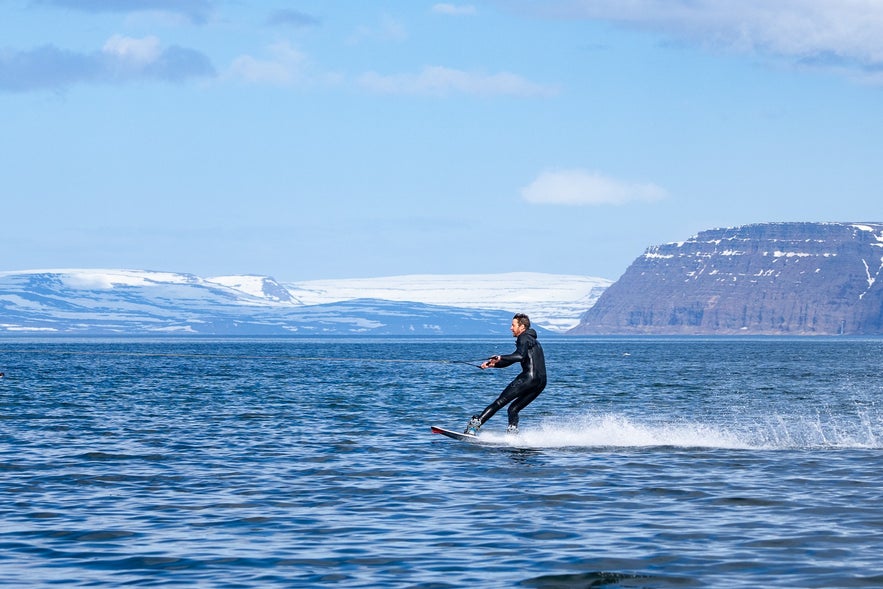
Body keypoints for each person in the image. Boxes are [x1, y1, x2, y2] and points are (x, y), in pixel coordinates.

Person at [465, 313, 546, 435]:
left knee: (499, 402)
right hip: (541, 381)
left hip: (528, 378)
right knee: (513, 409)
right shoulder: (533, 340)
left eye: (513, 325)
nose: (511, 328)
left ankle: (473, 428)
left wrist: (500, 357)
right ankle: (512, 435)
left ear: (522, 327)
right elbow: (517, 358)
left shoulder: (523, 338)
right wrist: (494, 364)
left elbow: (519, 356)